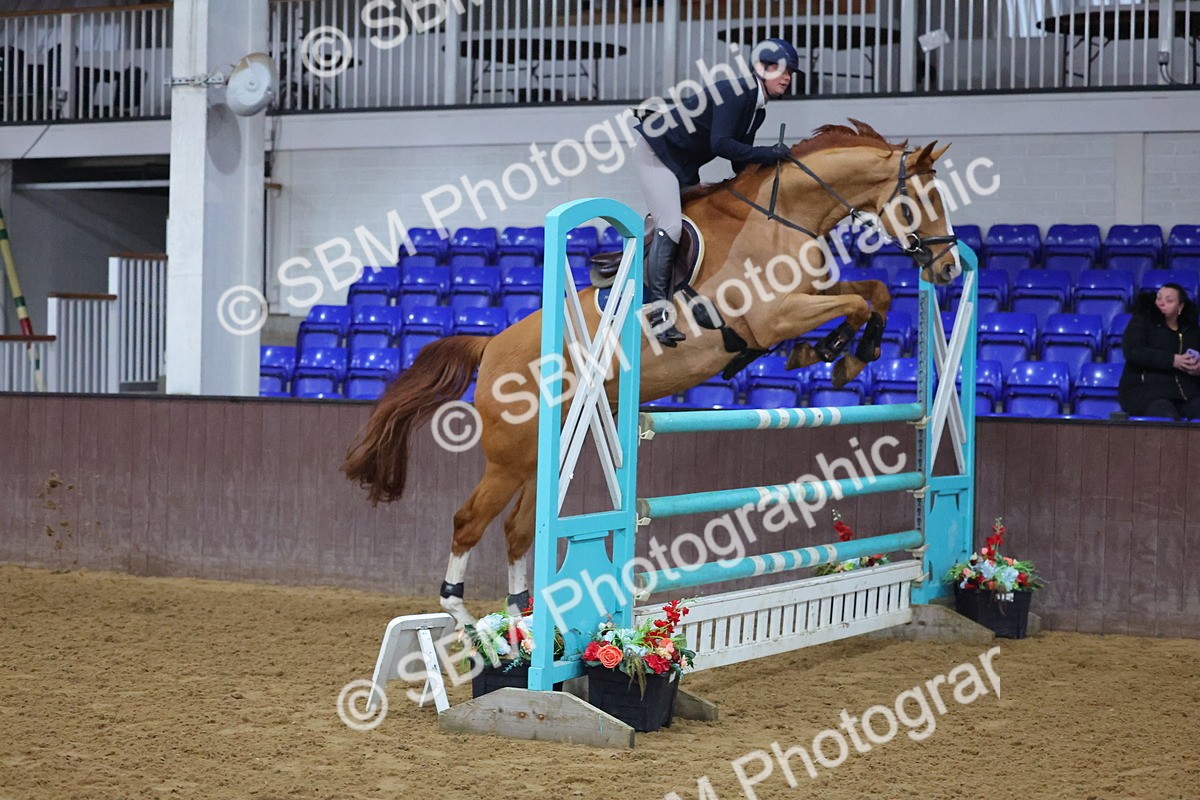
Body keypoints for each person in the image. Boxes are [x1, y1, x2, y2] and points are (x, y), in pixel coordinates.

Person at [631, 38, 801, 346]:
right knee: (670, 225)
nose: (788, 77)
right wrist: (767, 153)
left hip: (681, 164)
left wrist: (772, 171)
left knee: (704, 220)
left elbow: (739, 161)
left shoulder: (756, 110)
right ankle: (657, 314)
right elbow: (720, 144)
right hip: (657, 152)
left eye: (791, 71)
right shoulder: (735, 93)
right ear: (762, 69)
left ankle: (692, 297)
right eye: (781, 69)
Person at [1118, 282, 1200, 419]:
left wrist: (1197, 369)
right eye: (1159, 298)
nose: (1161, 303)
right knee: (1165, 416)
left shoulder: (1192, 331)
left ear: (1180, 307)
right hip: (1146, 393)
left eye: (1169, 300)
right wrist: (1172, 360)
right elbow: (1133, 351)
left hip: (1186, 394)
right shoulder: (1142, 322)